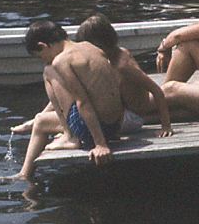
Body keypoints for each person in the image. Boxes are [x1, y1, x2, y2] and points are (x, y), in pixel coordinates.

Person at [11, 20, 124, 181]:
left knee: (47, 79)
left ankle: (68, 138)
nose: (44, 60)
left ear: (43, 46)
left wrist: (100, 144)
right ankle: (26, 171)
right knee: (42, 117)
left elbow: (82, 101)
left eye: (40, 56)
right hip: (114, 126)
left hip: (99, 132)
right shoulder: (89, 47)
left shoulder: (61, 60)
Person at [76, 14, 173, 137]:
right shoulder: (112, 55)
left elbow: (156, 90)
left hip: (131, 118)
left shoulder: (122, 66)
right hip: (123, 113)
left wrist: (166, 126)